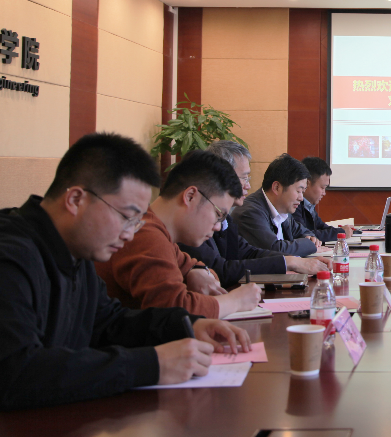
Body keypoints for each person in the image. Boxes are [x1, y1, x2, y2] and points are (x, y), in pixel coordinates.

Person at [0, 133, 251, 410]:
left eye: (137, 221)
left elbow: (109, 322)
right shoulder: (12, 255)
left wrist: (187, 325)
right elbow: (16, 372)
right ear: (76, 199)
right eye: (126, 217)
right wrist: (151, 364)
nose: (130, 235)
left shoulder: (77, 252)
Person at [96, 151, 262, 318]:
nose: (218, 227)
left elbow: (197, 267)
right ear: (190, 196)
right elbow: (174, 310)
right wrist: (236, 301)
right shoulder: (145, 234)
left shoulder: (159, 232)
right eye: (218, 215)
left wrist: (195, 270)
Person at [178, 141, 328, 286]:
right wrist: (290, 261)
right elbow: (221, 270)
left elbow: (248, 252)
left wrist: (296, 261)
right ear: (218, 177)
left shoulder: (226, 219)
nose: (248, 185)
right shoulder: (193, 221)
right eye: (244, 178)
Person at [232, 153, 320, 256]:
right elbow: (275, 250)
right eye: (298, 191)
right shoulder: (250, 212)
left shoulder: (283, 210)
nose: (301, 198)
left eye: (303, 192)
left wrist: (310, 237)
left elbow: (303, 231)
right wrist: (310, 245)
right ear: (277, 187)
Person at [293, 156, 354, 242]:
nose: (324, 193)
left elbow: (321, 227)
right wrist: (340, 232)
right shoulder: (294, 205)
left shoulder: (309, 205)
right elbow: (305, 235)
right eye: (322, 188)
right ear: (307, 183)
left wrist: (343, 230)